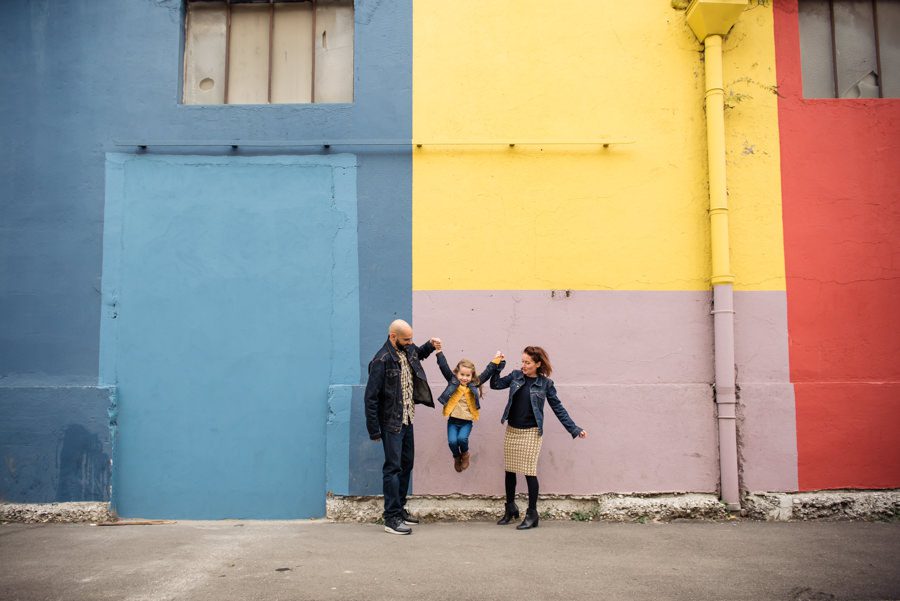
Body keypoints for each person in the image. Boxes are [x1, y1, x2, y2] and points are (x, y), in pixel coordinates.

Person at [490, 346, 588, 530]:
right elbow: (494, 384)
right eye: (522, 361)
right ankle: (510, 508)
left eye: (527, 362)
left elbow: (558, 408)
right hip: (512, 430)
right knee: (510, 470)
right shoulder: (515, 376)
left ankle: (532, 514)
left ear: (538, 364)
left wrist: (574, 429)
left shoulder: (545, 384)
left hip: (531, 433)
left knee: (529, 472)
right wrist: (498, 365)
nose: (523, 365)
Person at [364, 319, 440, 535]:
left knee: (406, 464)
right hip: (391, 423)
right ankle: (391, 518)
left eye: (411, 339)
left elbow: (418, 353)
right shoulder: (382, 360)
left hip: (408, 418)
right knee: (393, 468)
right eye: (406, 339)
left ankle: (400, 508)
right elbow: (371, 398)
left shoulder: (406, 350)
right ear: (392, 337)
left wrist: (430, 346)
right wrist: (374, 430)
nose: (410, 343)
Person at [435, 348, 504, 472]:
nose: (465, 378)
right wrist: (439, 351)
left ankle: (465, 454)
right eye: (462, 374)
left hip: (466, 421)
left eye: (468, 375)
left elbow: (487, 373)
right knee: (452, 442)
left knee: (462, 439)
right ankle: (457, 457)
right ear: (456, 373)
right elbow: (444, 367)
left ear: (472, 376)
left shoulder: (474, 384)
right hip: (453, 421)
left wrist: (497, 359)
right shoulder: (453, 381)